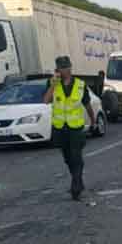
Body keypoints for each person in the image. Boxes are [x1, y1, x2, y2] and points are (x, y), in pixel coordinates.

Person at [43, 56, 96, 200]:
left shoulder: (80, 84)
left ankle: (76, 187)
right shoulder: (53, 83)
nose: (65, 70)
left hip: (75, 128)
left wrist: (93, 120)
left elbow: (87, 104)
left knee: (76, 157)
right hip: (60, 128)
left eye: (67, 67)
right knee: (68, 158)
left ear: (71, 67)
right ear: (57, 69)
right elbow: (46, 100)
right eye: (61, 68)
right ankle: (78, 181)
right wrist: (53, 84)